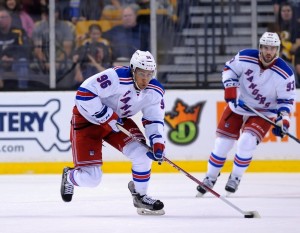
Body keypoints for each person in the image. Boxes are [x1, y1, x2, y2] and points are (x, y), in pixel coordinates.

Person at [60, 50, 166, 215]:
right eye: (141, 73)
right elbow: (83, 94)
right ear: (132, 70)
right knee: (92, 179)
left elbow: (154, 119)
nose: (145, 79)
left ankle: (140, 195)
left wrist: (157, 141)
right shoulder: (115, 77)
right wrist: (106, 116)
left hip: (118, 122)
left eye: (149, 74)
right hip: (87, 121)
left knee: (143, 154)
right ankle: (70, 176)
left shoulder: (155, 90)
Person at [196, 32, 296, 197]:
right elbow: (229, 70)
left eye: (272, 48)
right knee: (222, 144)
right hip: (238, 105)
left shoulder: (285, 73)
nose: (268, 52)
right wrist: (230, 86)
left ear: (277, 50)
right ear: (260, 48)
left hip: (263, 112)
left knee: (246, 141)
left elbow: (286, 100)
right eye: (265, 47)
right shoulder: (245, 57)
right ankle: (210, 177)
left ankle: (235, 177)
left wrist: (283, 119)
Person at [0, 7, 30, 89]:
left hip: (15, 61)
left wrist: (13, 58)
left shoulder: (19, 31)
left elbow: (24, 48)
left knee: (22, 62)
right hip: (1, 62)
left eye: (3, 17)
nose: (0, 20)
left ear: (9, 19)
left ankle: (23, 91)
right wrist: (2, 58)